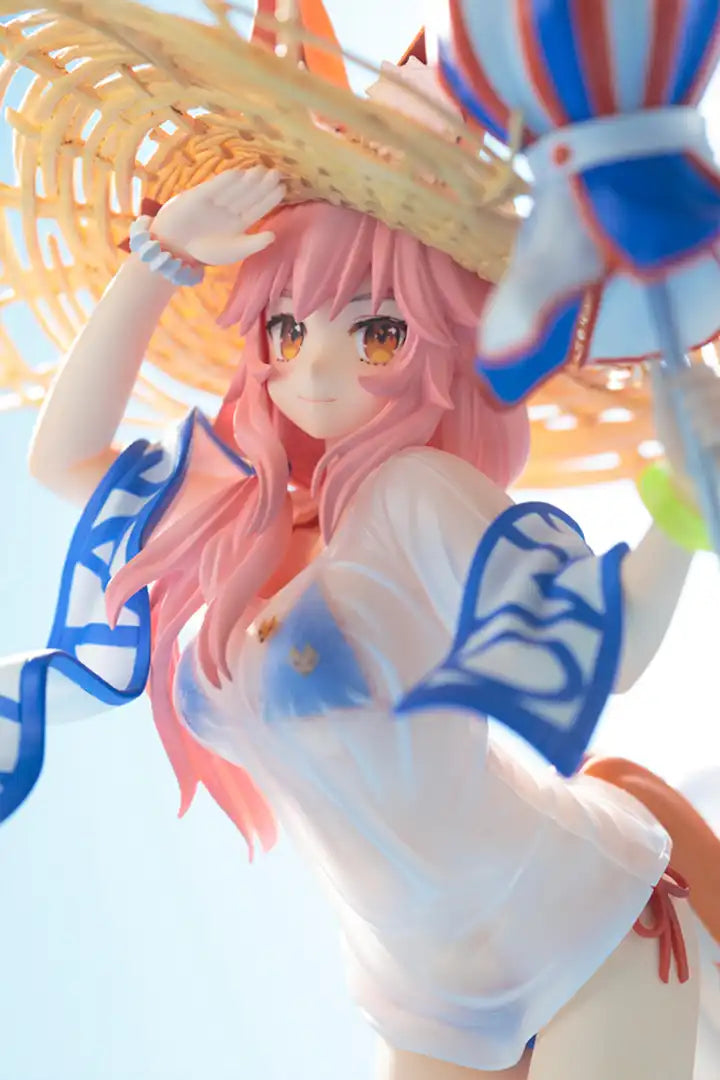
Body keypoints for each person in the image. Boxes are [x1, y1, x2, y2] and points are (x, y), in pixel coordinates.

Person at [0, 3, 719, 1078]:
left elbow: (606, 652)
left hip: (585, 918)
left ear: (438, 349)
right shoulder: (224, 520)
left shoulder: (416, 497)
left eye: (378, 331)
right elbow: (61, 461)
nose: (317, 366)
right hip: (417, 993)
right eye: (287, 328)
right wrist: (161, 257)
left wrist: (682, 507)